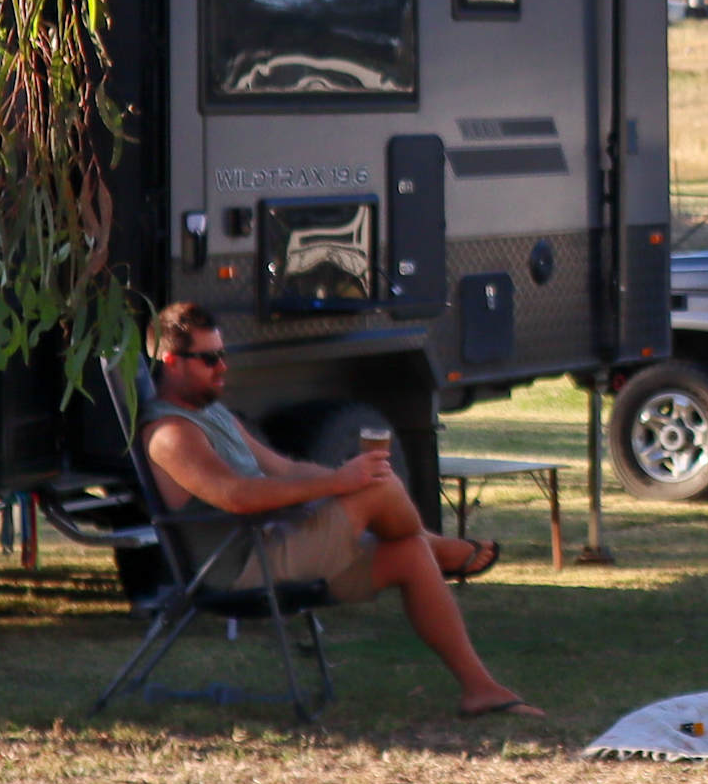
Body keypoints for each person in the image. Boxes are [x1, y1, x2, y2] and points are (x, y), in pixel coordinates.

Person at [134, 302, 536, 718]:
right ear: (171, 362)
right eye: (209, 358)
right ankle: (442, 548)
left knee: (408, 551)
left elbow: (286, 468)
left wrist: (343, 477)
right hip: (243, 568)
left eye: (223, 354)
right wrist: (340, 484)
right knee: (380, 489)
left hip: (278, 545)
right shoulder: (170, 433)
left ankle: (480, 689)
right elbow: (237, 496)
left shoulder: (212, 414)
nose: (222, 367)